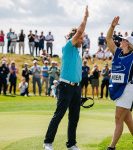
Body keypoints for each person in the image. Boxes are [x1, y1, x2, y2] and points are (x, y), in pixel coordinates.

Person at [43, 6, 89, 150]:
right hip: (65, 86)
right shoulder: (68, 47)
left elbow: (80, 34)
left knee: (74, 117)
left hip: (76, 87)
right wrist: (86, 17)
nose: (83, 40)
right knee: (59, 115)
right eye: (81, 38)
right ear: (74, 38)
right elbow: (80, 31)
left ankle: (71, 144)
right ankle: (48, 142)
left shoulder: (77, 51)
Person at [106, 16, 133, 150]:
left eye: (124, 40)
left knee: (118, 118)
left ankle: (111, 147)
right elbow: (108, 39)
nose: (121, 40)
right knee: (127, 120)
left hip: (127, 89)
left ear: (128, 44)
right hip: (118, 88)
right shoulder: (117, 52)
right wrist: (112, 26)